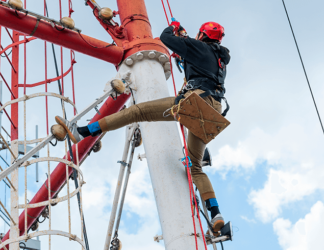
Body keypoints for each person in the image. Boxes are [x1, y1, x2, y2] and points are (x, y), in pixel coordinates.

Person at [56, 21, 231, 236]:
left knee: (137, 112)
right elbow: (190, 62)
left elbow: (166, 40)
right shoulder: (219, 59)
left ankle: (83, 132)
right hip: (213, 109)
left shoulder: (199, 47)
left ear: (202, 34)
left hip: (194, 102)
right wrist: (184, 47)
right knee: (195, 167)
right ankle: (216, 215)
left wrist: (172, 28)